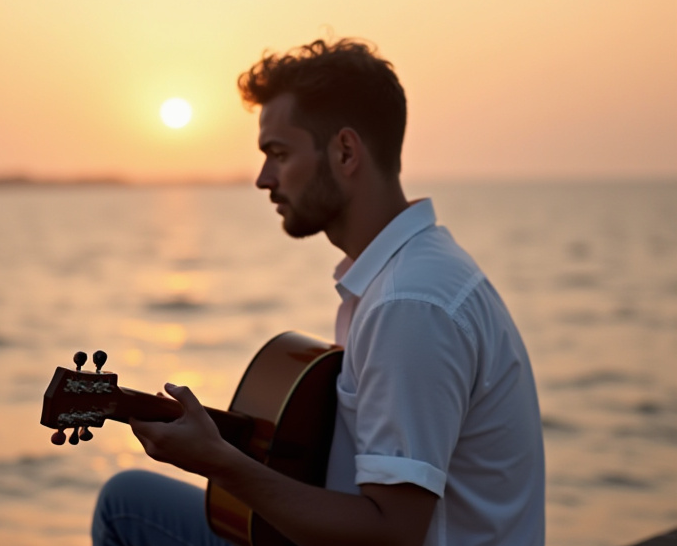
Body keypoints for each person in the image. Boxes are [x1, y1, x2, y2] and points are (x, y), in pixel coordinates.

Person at [92, 38, 545, 546]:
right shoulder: (400, 275)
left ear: (345, 151)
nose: (263, 178)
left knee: (125, 510)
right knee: (129, 500)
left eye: (279, 154)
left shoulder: (410, 305)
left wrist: (222, 464)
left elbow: (391, 534)